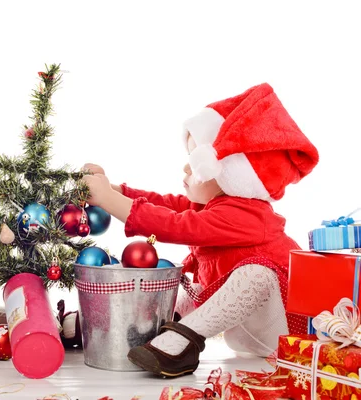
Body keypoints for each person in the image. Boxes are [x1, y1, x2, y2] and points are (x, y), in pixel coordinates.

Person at [82, 83, 319, 378]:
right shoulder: (215, 204)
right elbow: (169, 206)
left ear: (231, 176)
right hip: (247, 335)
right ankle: (122, 330)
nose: (185, 168)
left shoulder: (247, 216)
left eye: (196, 163)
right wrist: (114, 190)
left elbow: (176, 226)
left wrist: (107, 199)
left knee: (258, 274)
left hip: (283, 331)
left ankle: (182, 343)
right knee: (182, 284)